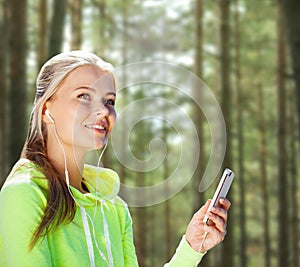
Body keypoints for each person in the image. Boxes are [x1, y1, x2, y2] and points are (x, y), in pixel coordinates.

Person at [0, 51, 231, 267]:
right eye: (84, 96)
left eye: (109, 101)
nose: (103, 111)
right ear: (45, 108)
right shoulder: (25, 193)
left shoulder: (113, 207)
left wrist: (191, 247)